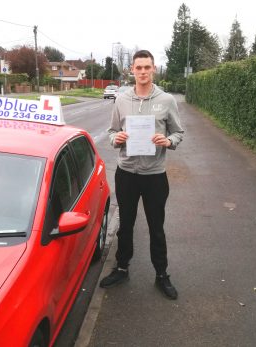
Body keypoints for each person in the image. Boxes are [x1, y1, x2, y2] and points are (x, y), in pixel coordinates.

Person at [99, 50, 184, 300]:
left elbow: (178, 132)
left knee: (156, 227)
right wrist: (118, 138)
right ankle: (122, 267)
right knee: (125, 225)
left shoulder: (167, 100)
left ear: (154, 69)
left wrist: (167, 141)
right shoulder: (121, 100)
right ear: (132, 70)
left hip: (155, 176)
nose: (143, 72)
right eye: (139, 68)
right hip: (126, 174)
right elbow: (112, 131)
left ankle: (161, 274)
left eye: (147, 67)